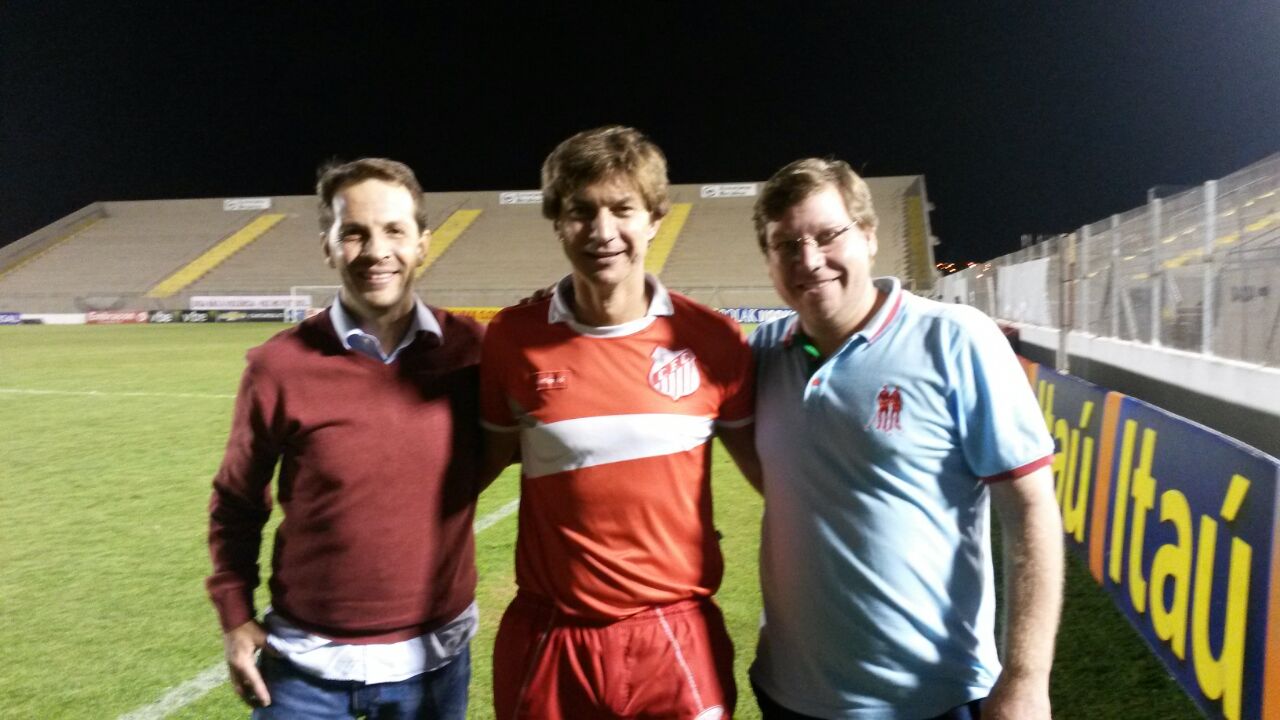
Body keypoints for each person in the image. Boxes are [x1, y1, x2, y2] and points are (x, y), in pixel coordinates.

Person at [747, 158, 1062, 720]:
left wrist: (1026, 678)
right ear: (769, 258)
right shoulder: (762, 353)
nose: (809, 260)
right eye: (786, 245)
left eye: (828, 235)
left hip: (933, 700)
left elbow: (1031, 506)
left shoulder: (956, 339)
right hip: (790, 694)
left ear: (869, 237)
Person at [480, 126, 758, 720]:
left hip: (675, 634)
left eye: (622, 209)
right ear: (558, 222)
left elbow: (775, 476)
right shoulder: (512, 338)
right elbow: (474, 468)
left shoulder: (714, 339)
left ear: (655, 218)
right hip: (552, 636)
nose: (602, 231)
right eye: (581, 211)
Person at [206, 158, 483, 719]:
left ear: (423, 244)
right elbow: (237, 499)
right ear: (328, 248)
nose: (376, 250)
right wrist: (235, 615)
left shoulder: (472, 352)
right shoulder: (277, 366)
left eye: (394, 230)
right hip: (303, 669)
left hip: (435, 662)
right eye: (353, 232)